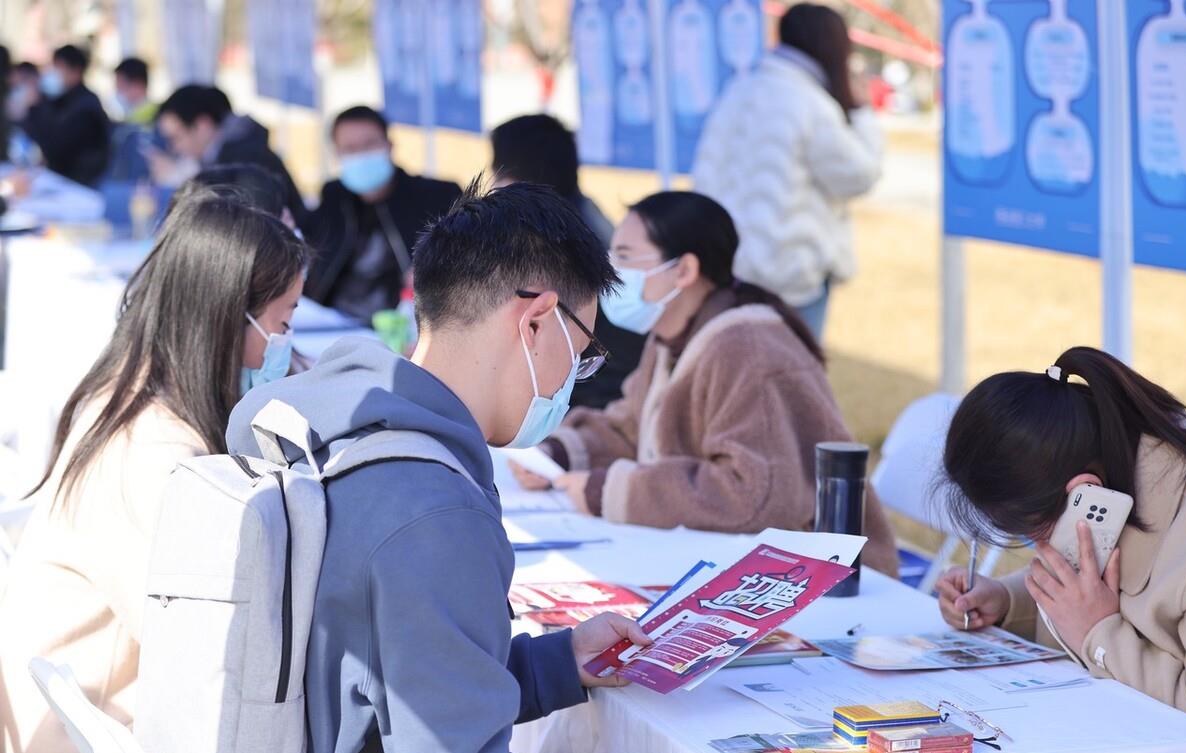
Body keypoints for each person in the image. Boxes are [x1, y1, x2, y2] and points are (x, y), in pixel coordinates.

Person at [226, 181, 652, 752]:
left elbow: (395, 674)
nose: (572, 379)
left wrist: (559, 659)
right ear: (535, 322)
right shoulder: (436, 510)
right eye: (580, 355)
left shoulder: (330, 425)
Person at [0, 193, 310, 752]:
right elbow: (205, 638)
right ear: (224, 317)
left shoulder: (127, 391)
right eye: (282, 323)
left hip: (88, 692)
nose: (283, 345)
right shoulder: (159, 453)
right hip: (100, 718)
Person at [512, 192, 899, 576]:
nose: (612, 271)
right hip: (732, 557)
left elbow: (753, 494)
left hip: (818, 576)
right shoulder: (677, 334)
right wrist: (559, 455)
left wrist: (608, 491)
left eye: (626, 258)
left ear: (684, 270)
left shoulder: (747, 347)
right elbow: (631, 427)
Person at [935, 347, 1186, 716]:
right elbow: (1094, 587)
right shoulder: (1113, 464)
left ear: (1083, 491)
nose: (1041, 548)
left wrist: (1098, 632)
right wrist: (1007, 601)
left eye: (1033, 531)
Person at [692, 3, 883, 341]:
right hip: (791, 275)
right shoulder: (810, 102)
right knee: (792, 377)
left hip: (726, 268)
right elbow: (860, 175)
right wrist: (863, 111)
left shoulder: (740, 89)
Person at [490, 113, 645, 410]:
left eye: (497, 169)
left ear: (515, 174)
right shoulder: (585, 214)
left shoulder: (541, 238)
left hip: (581, 399)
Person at [302, 105, 460, 322]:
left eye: (369, 144)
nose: (360, 155)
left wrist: (431, 273)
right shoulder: (333, 198)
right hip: (336, 322)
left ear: (389, 145)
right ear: (337, 154)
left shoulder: (436, 197)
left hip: (409, 325)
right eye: (349, 148)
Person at [154, 84, 305, 222]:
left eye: (175, 138)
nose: (173, 148)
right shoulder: (227, 155)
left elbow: (246, 232)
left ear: (202, 126)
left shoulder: (245, 162)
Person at [23, 45, 111, 186]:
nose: (52, 73)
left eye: (58, 67)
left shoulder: (86, 107)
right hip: (64, 180)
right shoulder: (61, 100)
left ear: (75, 71)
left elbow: (55, 149)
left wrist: (34, 109)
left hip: (81, 185)